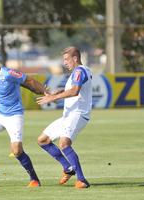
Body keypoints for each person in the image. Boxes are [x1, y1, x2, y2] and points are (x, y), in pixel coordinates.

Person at [0, 52, 46, 187]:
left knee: (17, 151)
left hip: (14, 116)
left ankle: (34, 179)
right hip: (0, 115)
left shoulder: (8, 73)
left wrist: (47, 93)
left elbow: (30, 81)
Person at [36, 46, 92, 189]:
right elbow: (70, 89)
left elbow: (74, 91)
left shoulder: (80, 70)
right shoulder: (76, 73)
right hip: (68, 116)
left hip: (78, 114)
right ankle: (68, 168)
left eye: (67, 59)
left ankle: (82, 180)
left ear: (75, 58)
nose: (65, 62)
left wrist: (53, 97)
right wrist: (58, 92)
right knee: (43, 140)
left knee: (64, 144)